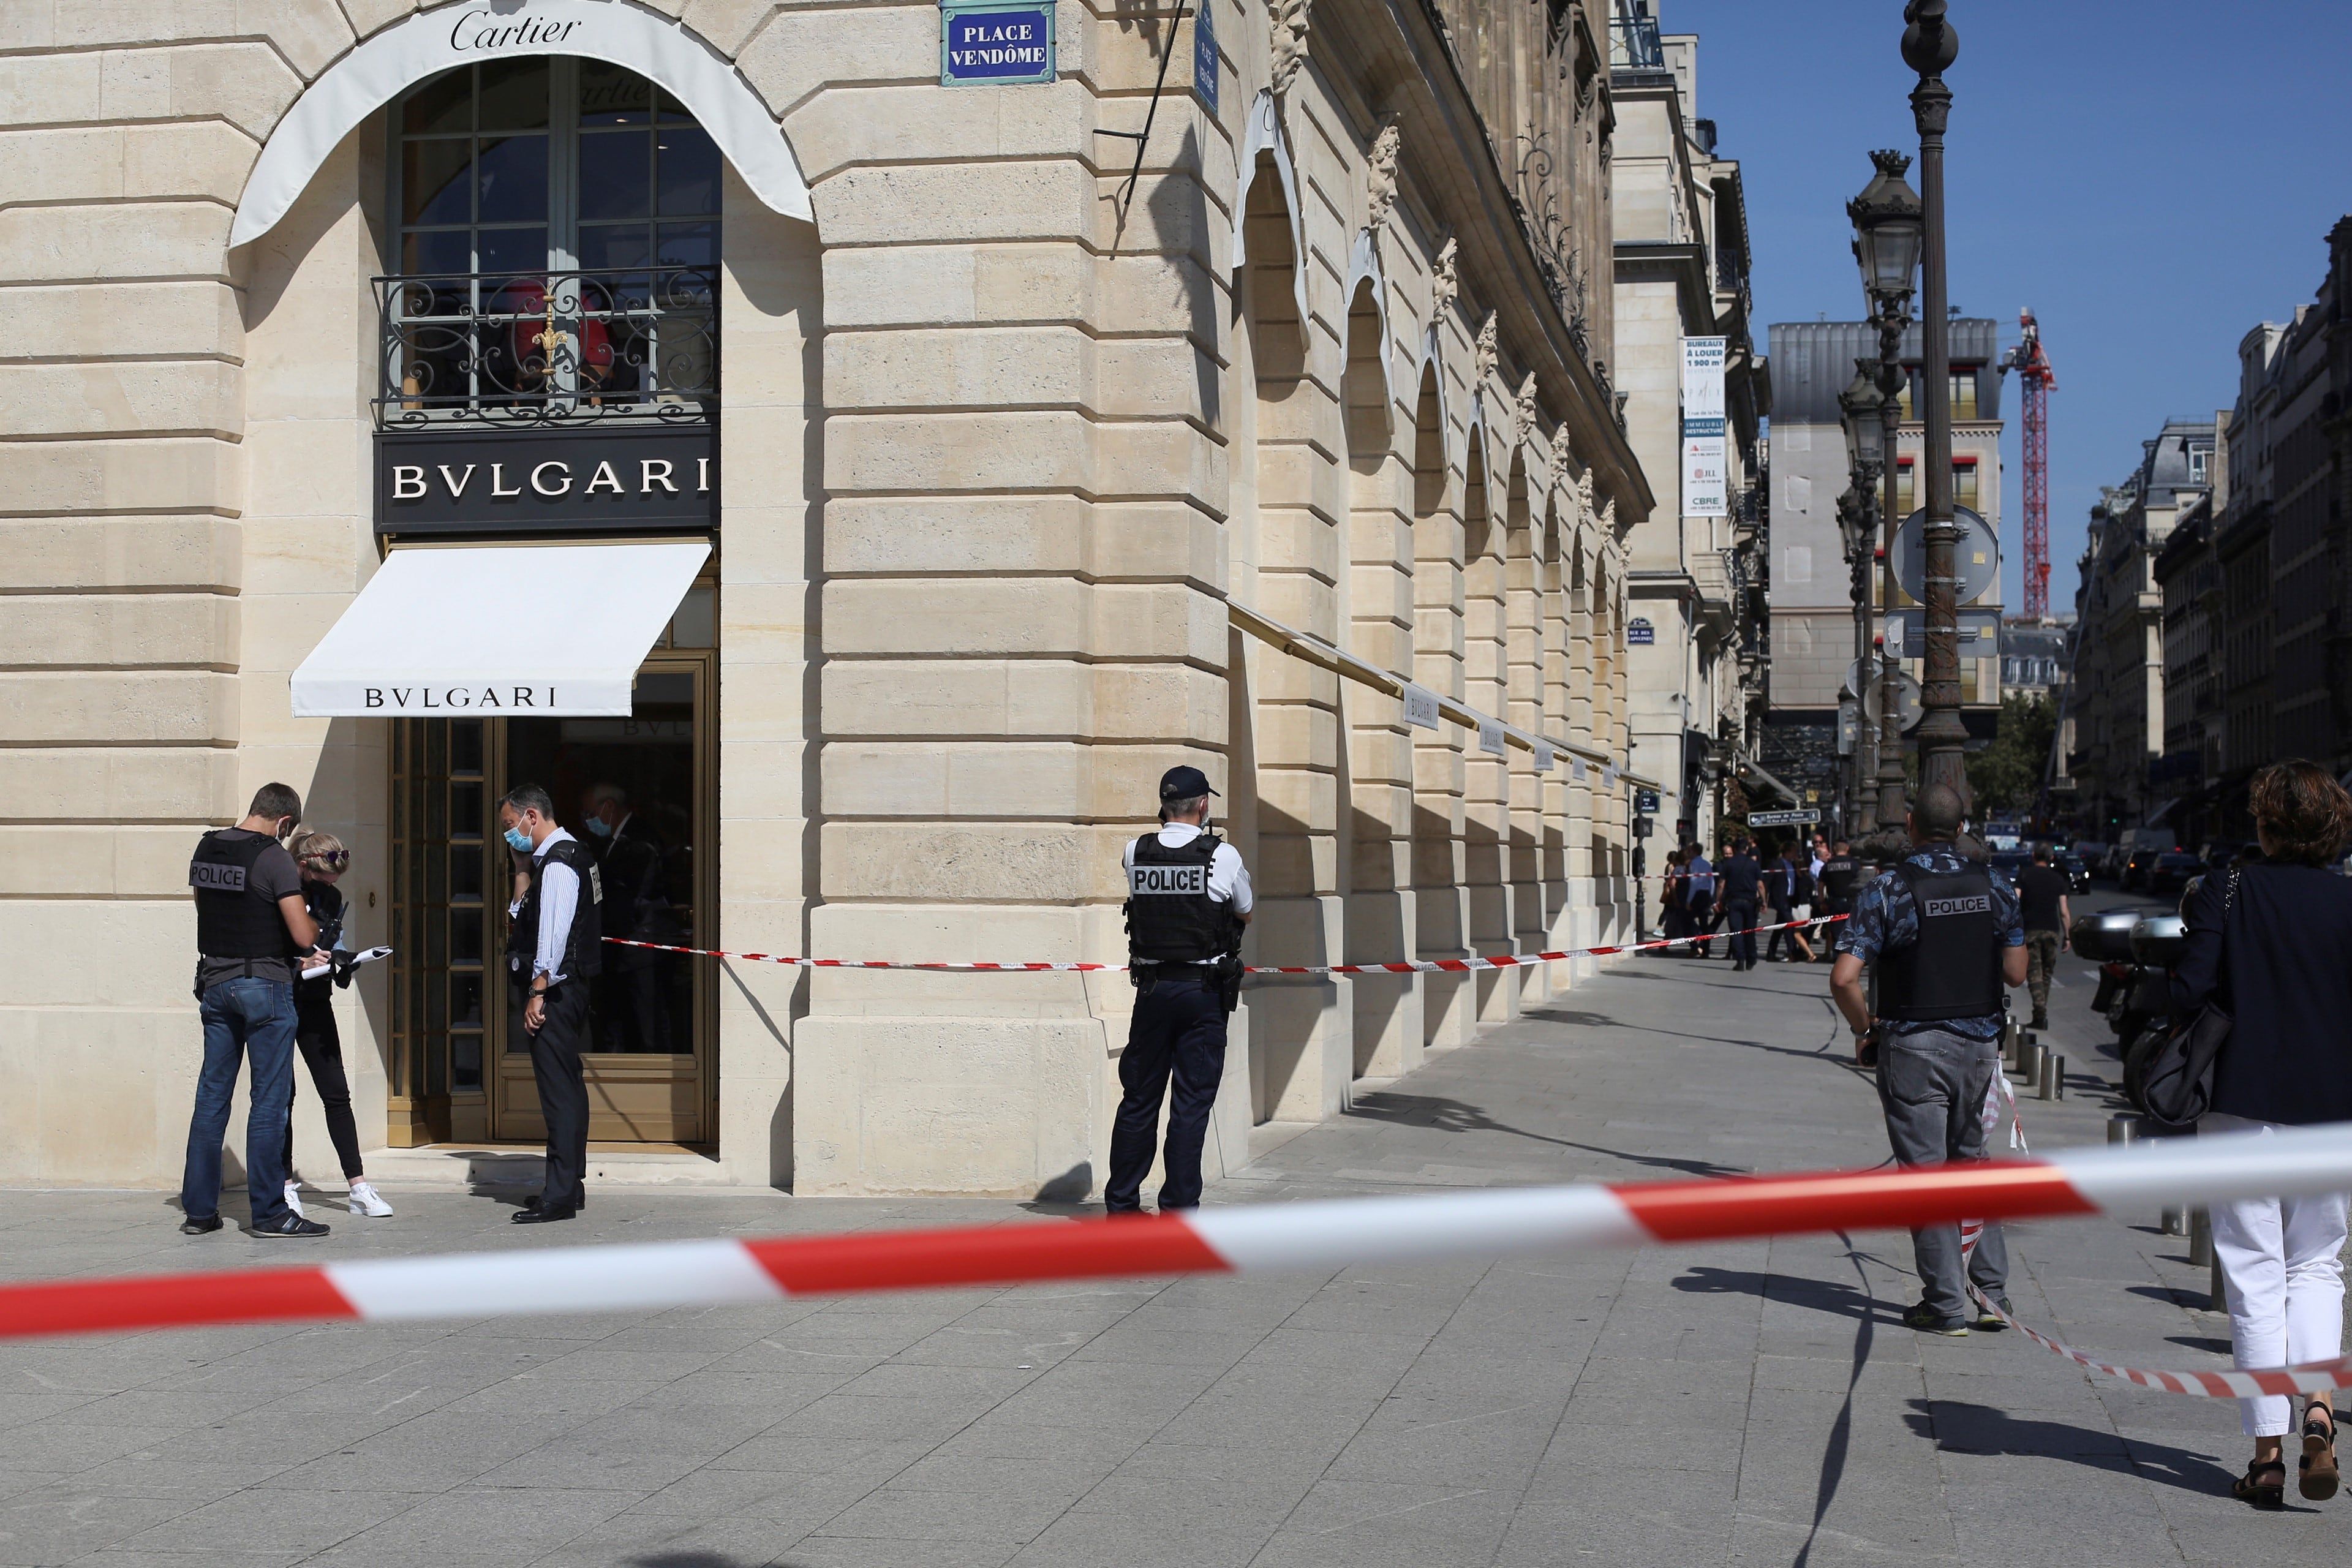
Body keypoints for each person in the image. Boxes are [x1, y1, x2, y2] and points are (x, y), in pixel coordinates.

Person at [2172, 759, 2352, 1509]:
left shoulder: (2231, 887)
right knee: (2319, 1266)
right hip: (2334, 1109)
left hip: (2242, 1101)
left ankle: (2268, 1457)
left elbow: (2190, 986)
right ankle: (2320, 1407)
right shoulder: (2348, 899)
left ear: (2268, 823)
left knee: (2255, 1277)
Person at [1830, 783, 2029, 1335]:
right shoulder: (1994, 884)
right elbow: (2016, 973)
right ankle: (1991, 1296)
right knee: (1973, 1168)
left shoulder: (1890, 888)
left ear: (1911, 826)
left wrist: (1865, 1028)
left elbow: (1844, 978)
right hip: (1979, 1045)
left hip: (1914, 1044)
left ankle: (1944, 1306)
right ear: (1962, 829)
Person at [181, 783, 331, 1238]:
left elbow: (206, 911)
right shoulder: (274, 857)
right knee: (268, 1100)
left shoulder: (207, 847)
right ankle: (269, 1213)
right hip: (264, 987)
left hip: (216, 983)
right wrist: (317, 927)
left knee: (212, 1098)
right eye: (288, 829)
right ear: (283, 821)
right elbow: (302, 935)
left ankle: (199, 1212)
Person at [1107, 766, 1253, 1215]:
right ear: (1203, 805)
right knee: (1190, 1105)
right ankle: (1178, 1210)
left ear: (1164, 805)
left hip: (1152, 992)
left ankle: (1122, 1207)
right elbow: (1245, 910)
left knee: (1139, 1099)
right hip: (1201, 993)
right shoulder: (1222, 856)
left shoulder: (1136, 851)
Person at [502, 783, 603, 1224]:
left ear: (532, 816)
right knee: (568, 1087)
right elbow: (524, 916)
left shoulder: (561, 862)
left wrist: (538, 990)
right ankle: (569, 1185)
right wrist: (522, 869)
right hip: (568, 988)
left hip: (557, 991)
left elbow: (554, 935)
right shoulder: (563, 857)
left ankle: (559, 1194)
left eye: (511, 825)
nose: (509, 834)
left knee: (559, 1093)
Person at [281, 832, 393, 1219]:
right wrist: (299, 963)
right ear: (304, 866)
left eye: (333, 881)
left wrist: (343, 961)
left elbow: (334, 943)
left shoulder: (330, 897)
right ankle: (284, 1186)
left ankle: (358, 1186)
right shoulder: (281, 892)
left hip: (315, 1001)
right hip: (281, 1000)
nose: (328, 887)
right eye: (322, 879)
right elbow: (267, 950)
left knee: (336, 1093)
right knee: (282, 1096)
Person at [581, 783, 673, 1054]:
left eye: (590, 813)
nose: (588, 821)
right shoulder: (613, 841)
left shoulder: (639, 840)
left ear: (608, 807)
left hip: (639, 949)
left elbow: (633, 896)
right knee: (621, 1023)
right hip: (621, 952)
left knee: (647, 1025)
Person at [2012, 842, 2071, 1031]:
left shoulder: (2025, 875)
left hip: (2031, 931)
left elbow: (2015, 901)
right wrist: (2067, 936)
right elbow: (2064, 911)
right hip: (2052, 931)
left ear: (2033, 856)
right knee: (2046, 973)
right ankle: (2040, 1014)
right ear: (2051, 858)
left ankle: (2040, 1013)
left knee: (2034, 973)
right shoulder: (2058, 879)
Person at [1765, 844, 1817, 963]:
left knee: (1779, 927)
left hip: (1791, 899)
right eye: (1794, 851)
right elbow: (1768, 882)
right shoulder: (1777, 864)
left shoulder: (1793, 864)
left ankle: (1771, 953)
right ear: (1787, 852)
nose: (1796, 854)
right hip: (1781, 899)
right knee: (1790, 926)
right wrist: (1765, 900)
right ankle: (1792, 953)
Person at [1717, 839, 1763, 971]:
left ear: (1735, 849)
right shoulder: (1753, 864)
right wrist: (1764, 901)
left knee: (1736, 931)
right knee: (1750, 932)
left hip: (1734, 901)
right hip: (1750, 902)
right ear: (1747, 849)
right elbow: (1760, 885)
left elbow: (1721, 884)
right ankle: (1751, 959)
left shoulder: (1729, 864)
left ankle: (1740, 960)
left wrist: (1719, 900)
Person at [1681, 842, 1716, 959]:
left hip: (1697, 895)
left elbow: (1694, 883)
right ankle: (1706, 950)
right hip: (1706, 894)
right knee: (1704, 923)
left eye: (1690, 851)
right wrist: (1710, 896)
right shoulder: (1707, 863)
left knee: (1686, 921)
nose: (1689, 853)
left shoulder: (1694, 864)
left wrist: (1689, 901)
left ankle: (1694, 947)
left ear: (1694, 852)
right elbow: (1711, 881)